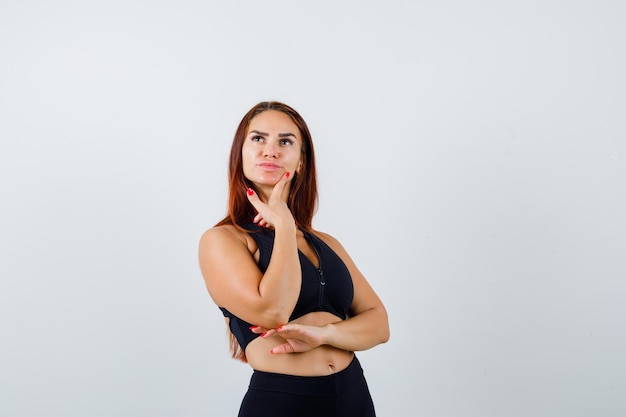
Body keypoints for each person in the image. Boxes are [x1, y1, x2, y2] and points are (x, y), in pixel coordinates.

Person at [198, 101, 390, 417]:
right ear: (241, 154)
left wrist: (326, 335)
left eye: (285, 141)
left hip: (353, 394)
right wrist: (284, 225)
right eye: (258, 139)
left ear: (300, 161)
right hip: (283, 401)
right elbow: (274, 312)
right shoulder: (223, 240)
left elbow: (379, 324)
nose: (270, 151)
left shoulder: (327, 243)